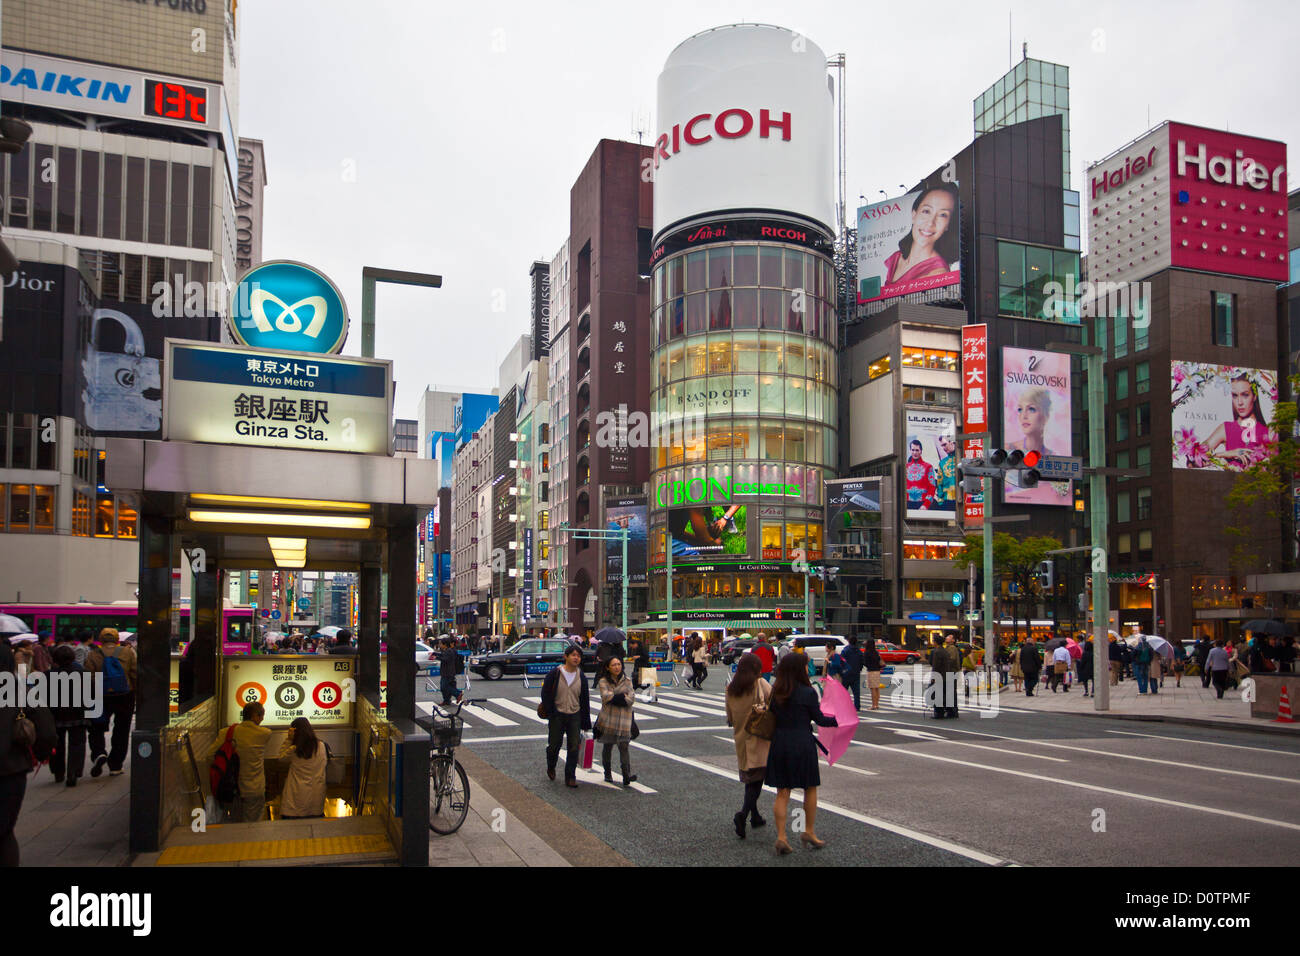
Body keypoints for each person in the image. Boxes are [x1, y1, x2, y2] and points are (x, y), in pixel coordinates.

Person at [765, 652, 838, 853]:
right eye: (806, 666)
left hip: (780, 743)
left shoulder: (776, 691)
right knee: (810, 788)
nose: (808, 669)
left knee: (782, 791)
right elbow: (820, 719)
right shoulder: (807, 692)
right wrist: (838, 719)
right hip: (802, 742)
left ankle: (781, 836)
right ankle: (809, 831)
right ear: (799, 669)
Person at [0, 642, 56, 866]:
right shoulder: (20, 688)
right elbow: (47, 733)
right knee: (3, 834)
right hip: (10, 771)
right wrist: (40, 754)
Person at [724, 653, 772, 839]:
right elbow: (774, 703)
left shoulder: (731, 689)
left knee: (750, 778)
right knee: (756, 780)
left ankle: (755, 816)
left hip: (741, 738)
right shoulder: (760, 684)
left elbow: (729, 718)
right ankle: (743, 814)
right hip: (759, 737)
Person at [881, 183, 958, 291]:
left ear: (948, 225)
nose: (930, 223)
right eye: (926, 211)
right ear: (914, 215)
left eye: (943, 215)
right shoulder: (897, 257)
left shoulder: (937, 272)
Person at [84, 627, 137, 777]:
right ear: (117, 639)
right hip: (124, 695)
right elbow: (135, 673)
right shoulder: (128, 652)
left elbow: (87, 678)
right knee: (121, 729)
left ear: (100, 640)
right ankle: (115, 764)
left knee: (96, 727)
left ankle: (99, 752)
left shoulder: (93, 654)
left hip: (100, 695)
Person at [540, 644, 591, 788]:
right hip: (557, 714)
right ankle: (551, 765)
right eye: (573, 655)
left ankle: (570, 776)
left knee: (574, 746)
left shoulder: (581, 676)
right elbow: (545, 693)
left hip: (575, 714)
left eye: (578, 656)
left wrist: (586, 722)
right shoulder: (555, 673)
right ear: (566, 657)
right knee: (554, 745)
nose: (576, 658)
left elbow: (584, 699)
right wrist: (551, 712)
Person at [1204, 373, 1275, 467]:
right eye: (1235, 395)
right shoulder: (1226, 429)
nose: (1239, 402)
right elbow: (1191, 463)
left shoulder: (1268, 433)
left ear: (1254, 396)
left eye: (1245, 395)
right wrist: (1226, 454)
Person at [48, 644, 89, 787]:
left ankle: (58, 772)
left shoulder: (49, 675)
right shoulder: (82, 673)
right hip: (78, 714)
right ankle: (73, 772)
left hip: (56, 716)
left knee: (57, 744)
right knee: (77, 743)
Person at [594, 656, 637, 788]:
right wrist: (620, 696)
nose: (617, 667)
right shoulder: (603, 681)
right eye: (614, 665)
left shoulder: (628, 681)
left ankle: (626, 775)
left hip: (624, 720)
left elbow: (631, 699)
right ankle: (607, 772)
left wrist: (615, 696)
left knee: (624, 746)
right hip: (608, 720)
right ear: (608, 667)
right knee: (608, 746)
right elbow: (606, 697)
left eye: (619, 664)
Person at [278, 717, 327, 819]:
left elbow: (281, 758)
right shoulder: (321, 746)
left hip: (295, 802)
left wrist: (289, 739)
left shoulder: (294, 749)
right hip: (316, 799)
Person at [904, 439, 938, 513]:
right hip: (907, 504)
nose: (915, 452)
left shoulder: (928, 467)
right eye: (913, 450)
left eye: (917, 450)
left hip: (922, 504)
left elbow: (932, 488)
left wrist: (926, 505)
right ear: (910, 450)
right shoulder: (905, 467)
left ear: (921, 451)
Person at [929, 635, 957, 718]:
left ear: (936, 642)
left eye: (933, 641)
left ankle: (939, 713)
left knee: (937, 695)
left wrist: (933, 677)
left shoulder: (937, 652)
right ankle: (950, 711)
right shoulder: (945, 651)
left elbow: (935, 666)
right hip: (946, 676)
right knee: (945, 695)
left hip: (939, 677)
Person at [839, 637, 864, 711]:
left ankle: (844, 706)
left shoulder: (845, 650)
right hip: (855, 673)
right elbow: (862, 661)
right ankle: (857, 706)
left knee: (844, 691)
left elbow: (841, 661)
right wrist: (859, 669)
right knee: (856, 692)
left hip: (846, 673)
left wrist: (842, 670)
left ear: (849, 641)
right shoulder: (859, 651)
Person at [437, 638, 461, 705]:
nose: (439, 645)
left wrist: (436, 657)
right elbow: (443, 656)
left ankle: (457, 694)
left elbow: (445, 659)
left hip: (448, 672)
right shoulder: (446, 650)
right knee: (447, 686)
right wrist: (436, 654)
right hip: (447, 672)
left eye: (441, 643)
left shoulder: (449, 651)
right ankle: (447, 700)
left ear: (445, 644)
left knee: (444, 687)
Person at [863, 638, 884, 711]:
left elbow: (865, 663)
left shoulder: (867, 652)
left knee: (872, 689)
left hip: (871, 671)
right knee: (877, 688)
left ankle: (874, 705)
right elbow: (879, 660)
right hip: (877, 671)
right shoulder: (876, 652)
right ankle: (877, 704)